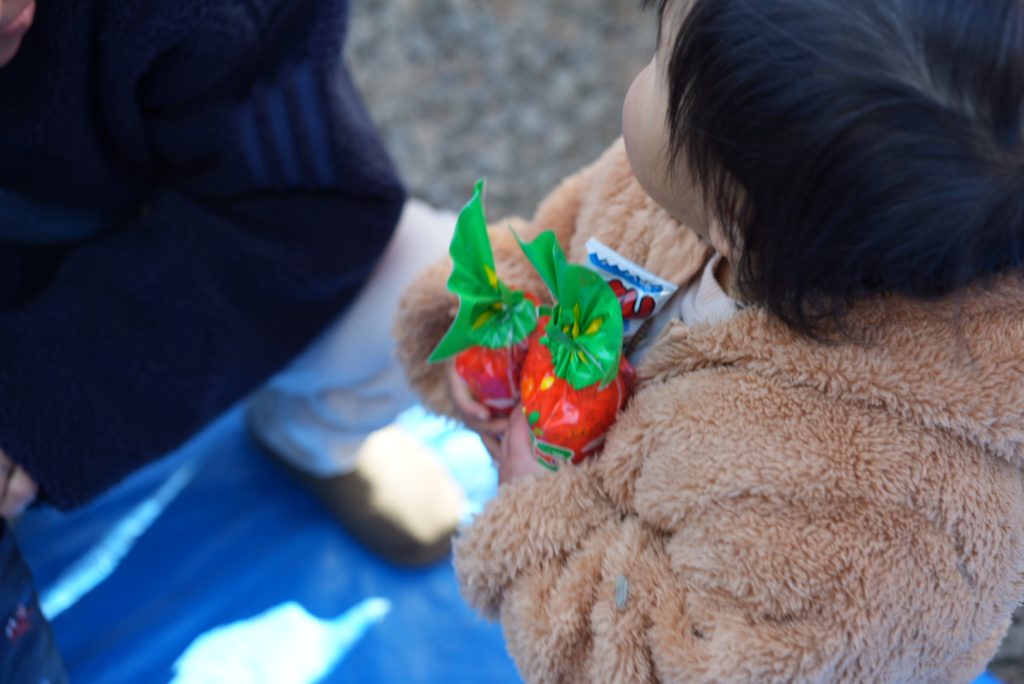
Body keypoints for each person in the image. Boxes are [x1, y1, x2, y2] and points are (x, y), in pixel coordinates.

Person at [394, 0, 1024, 681]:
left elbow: (664, 666)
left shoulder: (873, 537)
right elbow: (574, 234)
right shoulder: (722, 173)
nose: (645, 72)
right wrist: (502, 320)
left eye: (659, 58)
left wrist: (545, 526)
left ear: (733, 220)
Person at [0, 0, 460, 679]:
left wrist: (35, 408)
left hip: (125, 286)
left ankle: (311, 436)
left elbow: (311, 207)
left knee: (435, 289)